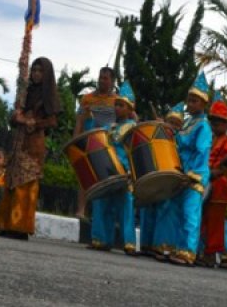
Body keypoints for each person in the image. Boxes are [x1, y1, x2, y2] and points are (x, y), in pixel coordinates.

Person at [0, 57, 60, 239]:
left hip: (33, 144)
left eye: (40, 71)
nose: (36, 74)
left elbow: (53, 121)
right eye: (34, 70)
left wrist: (32, 121)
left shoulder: (49, 95)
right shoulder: (26, 91)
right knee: (12, 182)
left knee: (26, 184)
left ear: (46, 74)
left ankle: (21, 227)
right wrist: (16, 118)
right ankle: (6, 224)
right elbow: (14, 118)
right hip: (18, 142)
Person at [167, 72, 212, 266]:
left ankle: (189, 252)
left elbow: (202, 152)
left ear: (203, 104)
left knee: (190, 214)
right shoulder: (187, 123)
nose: (190, 104)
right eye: (189, 100)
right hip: (181, 174)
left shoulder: (203, 126)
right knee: (178, 213)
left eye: (195, 101)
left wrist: (194, 174)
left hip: (194, 176)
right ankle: (179, 248)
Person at [89, 82, 138, 254]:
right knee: (102, 203)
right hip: (108, 171)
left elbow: (135, 152)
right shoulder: (109, 127)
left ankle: (129, 244)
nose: (117, 108)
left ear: (130, 108)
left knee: (125, 207)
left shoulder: (133, 128)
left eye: (121, 105)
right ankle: (101, 239)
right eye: (116, 104)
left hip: (124, 171)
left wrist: (132, 171)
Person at [197, 93, 227, 269]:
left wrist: (218, 172)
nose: (215, 125)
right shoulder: (210, 138)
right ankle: (214, 253)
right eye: (212, 122)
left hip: (221, 187)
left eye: (218, 122)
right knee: (205, 221)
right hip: (207, 184)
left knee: (216, 223)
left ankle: (210, 256)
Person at [73, 67, 117, 217]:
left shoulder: (117, 100)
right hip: (88, 140)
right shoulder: (87, 98)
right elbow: (79, 121)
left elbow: (131, 118)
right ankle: (81, 210)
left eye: (106, 78)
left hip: (108, 143)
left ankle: (104, 215)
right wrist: (75, 140)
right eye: (101, 77)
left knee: (106, 178)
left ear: (112, 81)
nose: (102, 80)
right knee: (84, 175)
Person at [146, 101, 185, 260]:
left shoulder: (181, 139)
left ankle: (165, 246)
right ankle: (151, 245)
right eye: (171, 123)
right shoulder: (159, 134)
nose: (173, 126)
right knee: (153, 209)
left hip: (175, 177)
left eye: (177, 124)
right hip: (159, 176)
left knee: (169, 211)